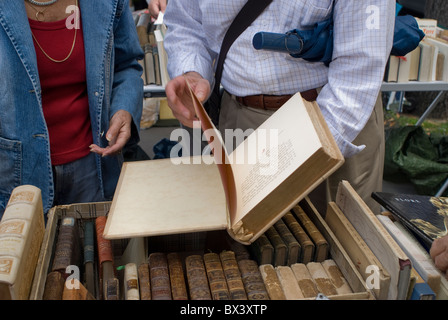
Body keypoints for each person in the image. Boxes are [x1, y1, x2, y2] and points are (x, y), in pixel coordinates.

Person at [163, 0, 395, 215]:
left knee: (343, 246)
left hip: (334, 120)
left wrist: (310, 150)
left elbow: (359, 67)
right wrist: (192, 70)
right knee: (248, 248)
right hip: (240, 118)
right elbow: (186, 23)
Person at [0, 0, 144, 218]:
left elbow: (126, 65)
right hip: (15, 175)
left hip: (93, 168)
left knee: (96, 249)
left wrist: (123, 108)